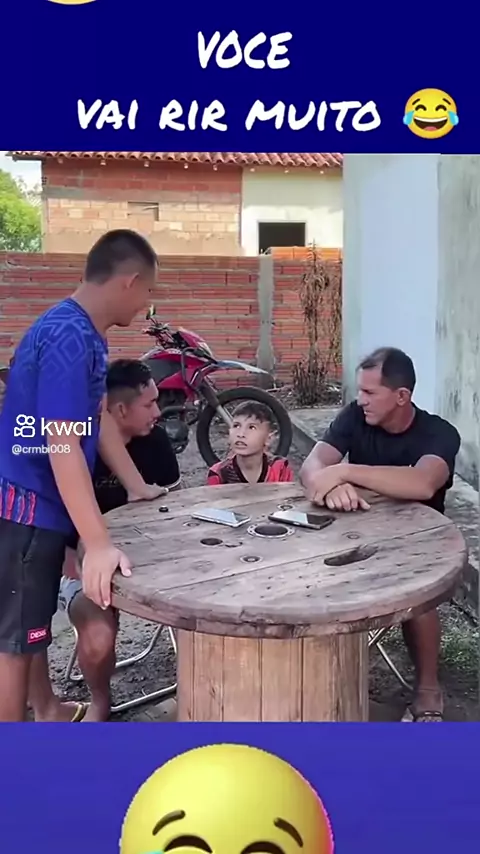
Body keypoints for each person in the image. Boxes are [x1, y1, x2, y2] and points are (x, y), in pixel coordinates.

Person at [0, 229, 165, 722]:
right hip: (27, 511)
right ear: (129, 281)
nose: (146, 305)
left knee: (29, 630)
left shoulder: (82, 330)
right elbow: (62, 442)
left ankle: (48, 709)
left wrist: (135, 485)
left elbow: (94, 418)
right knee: (13, 644)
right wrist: (97, 543)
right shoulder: (70, 337)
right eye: (148, 291)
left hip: (39, 510)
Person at [300, 347, 461, 722]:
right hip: (355, 532)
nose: (361, 399)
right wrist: (332, 487)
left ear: (401, 396)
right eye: (360, 390)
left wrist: (345, 472)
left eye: (370, 392)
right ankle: (317, 678)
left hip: (419, 542)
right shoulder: (354, 417)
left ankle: (428, 690)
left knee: (418, 593)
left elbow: (423, 483)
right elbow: (312, 468)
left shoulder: (439, 433)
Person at [28, 359, 181, 722]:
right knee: (97, 635)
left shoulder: (157, 443)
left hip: (154, 565)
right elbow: (51, 529)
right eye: (149, 403)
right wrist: (74, 558)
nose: (158, 412)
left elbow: (174, 514)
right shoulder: (70, 450)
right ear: (118, 410)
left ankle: (196, 696)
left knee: (203, 619)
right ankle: (101, 701)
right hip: (82, 567)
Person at [207, 401, 294, 485]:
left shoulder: (280, 469)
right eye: (236, 426)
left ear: (269, 438)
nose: (240, 434)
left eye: (251, 427)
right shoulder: (218, 474)